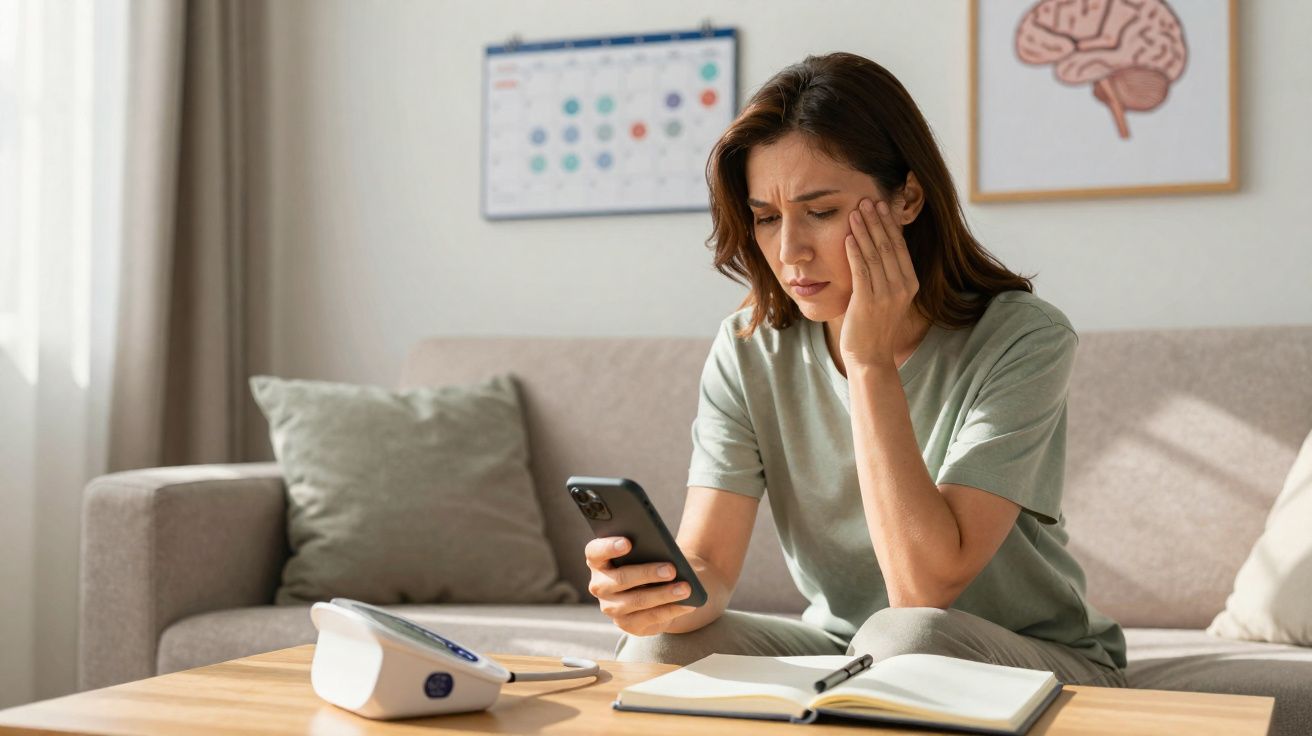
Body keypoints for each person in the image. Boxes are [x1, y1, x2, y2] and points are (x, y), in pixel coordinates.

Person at [583, 52, 1128, 687]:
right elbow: (709, 561)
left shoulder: (1023, 339)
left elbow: (924, 587)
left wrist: (868, 363)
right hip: (850, 646)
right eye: (766, 217)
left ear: (908, 198)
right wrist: (655, 596)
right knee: (657, 655)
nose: (790, 252)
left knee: (909, 637)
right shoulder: (747, 346)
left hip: (1033, 656)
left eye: (820, 211)